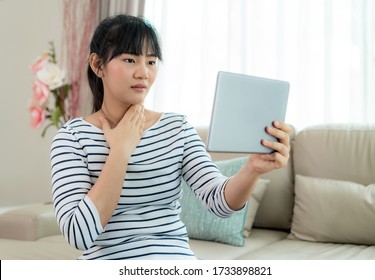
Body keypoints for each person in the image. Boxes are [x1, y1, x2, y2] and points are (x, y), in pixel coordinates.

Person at [50, 14, 291, 260]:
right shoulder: (72, 138)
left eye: (151, 62)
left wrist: (253, 169)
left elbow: (219, 202)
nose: (143, 73)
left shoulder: (176, 128)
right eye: (130, 59)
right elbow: (78, 234)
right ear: (97, 64)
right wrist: (121, 151)